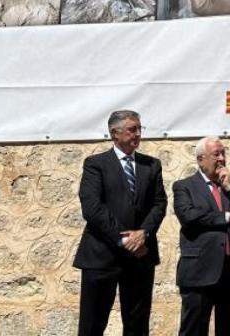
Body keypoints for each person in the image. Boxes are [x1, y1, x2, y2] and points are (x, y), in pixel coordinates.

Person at [73, 110, 168, 336]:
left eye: (139, 129)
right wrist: (124, 238)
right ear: (115, 134)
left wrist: (143, 233)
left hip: (140, 255)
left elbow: (159, 203)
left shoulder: (151, 165)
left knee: (137, 325)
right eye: (132, 129)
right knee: (92, 324)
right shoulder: (96, 164)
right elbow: (93, 208)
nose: (138, 134)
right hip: (101, 256)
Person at [173, 136, 230, 336]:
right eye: (216, 154)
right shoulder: (184, 186)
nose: (221, 158)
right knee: (193, 329)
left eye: (223, 153)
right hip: (199, 270)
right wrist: (227, 217)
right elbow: (189, 216)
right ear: (201, 159)